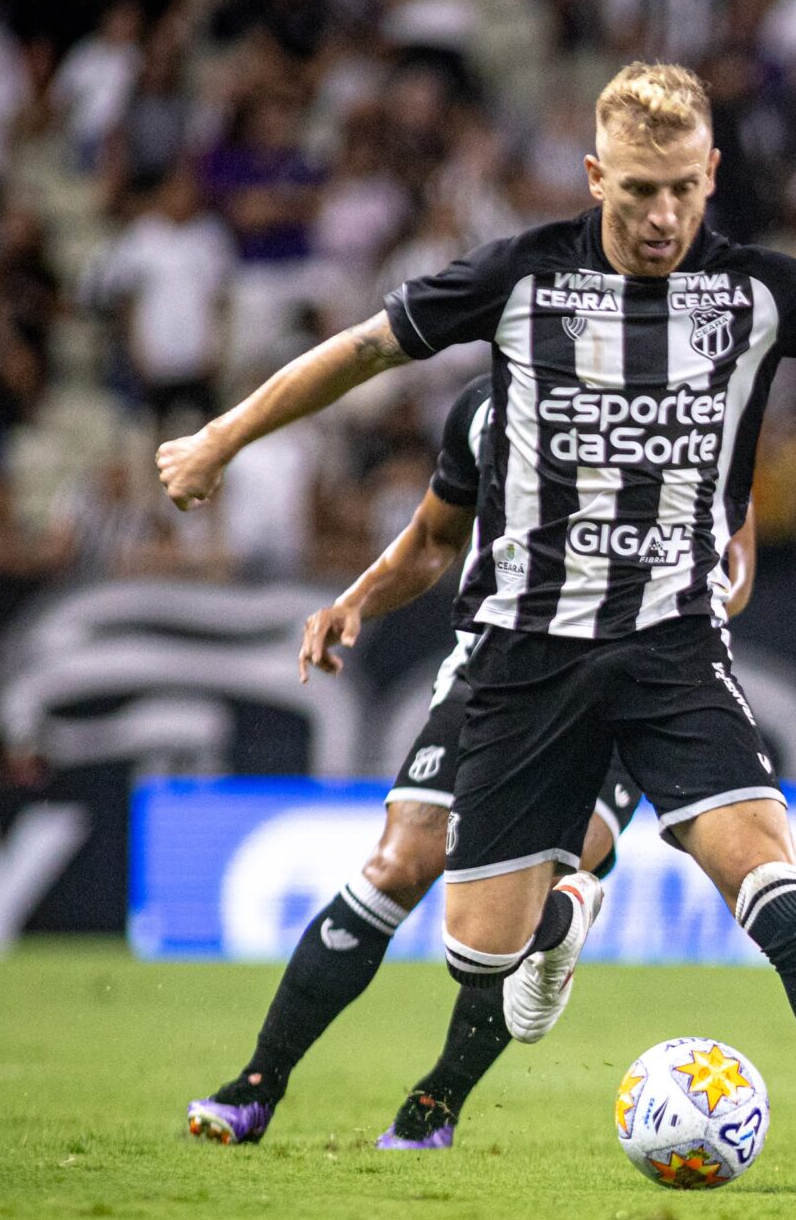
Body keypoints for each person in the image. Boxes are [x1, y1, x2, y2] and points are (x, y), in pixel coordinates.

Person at [160, 61, 796, 1197]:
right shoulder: (520, 282)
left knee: (774, 878)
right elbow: (363, 352)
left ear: (713, 174)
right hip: (523, 659)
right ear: (594, 177)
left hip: (670, 651)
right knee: (476, 947)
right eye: (637, 190)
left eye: (683, 188)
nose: (661, 216)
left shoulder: (758, 293)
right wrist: (220, 442)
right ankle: (544, 929)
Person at [186, 367, 759, 1150]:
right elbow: (432, 538)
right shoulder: (487, 408)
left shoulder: (689, 409)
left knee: (545, 876)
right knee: (398, 860)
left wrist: (659, 612)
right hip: (496, 669)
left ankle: (436, 1103)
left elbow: (737, 568)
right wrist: (354, 598)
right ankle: (257, 1084)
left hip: (634, 678)